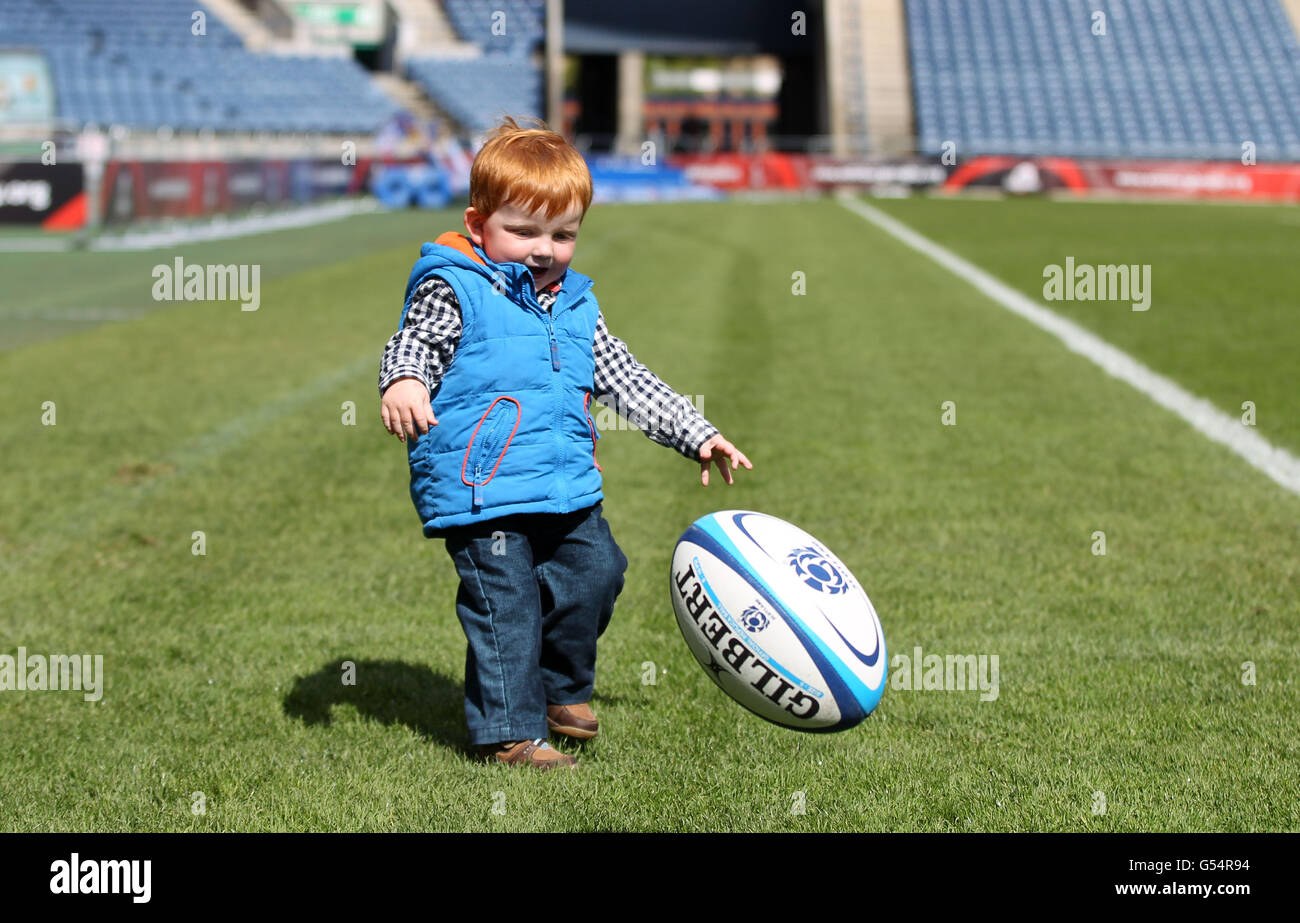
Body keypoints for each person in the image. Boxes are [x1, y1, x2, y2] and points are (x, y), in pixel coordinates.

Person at [378, 116, 752, 769]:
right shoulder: (452, 285)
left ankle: (557, 690)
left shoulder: (577, 305)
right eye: (523, 231)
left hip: (564, 483)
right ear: (478, 223)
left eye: (563, 233)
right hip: (482, 488)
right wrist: (406, 380)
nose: (544, 249)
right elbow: (416, 340)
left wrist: (698, 432)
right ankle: (510, 733)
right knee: (508, 604)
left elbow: (626, 379)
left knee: (598, 573)